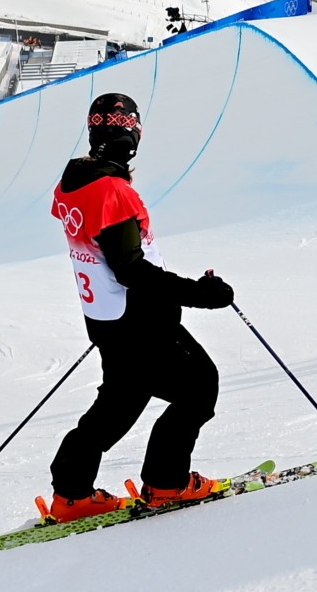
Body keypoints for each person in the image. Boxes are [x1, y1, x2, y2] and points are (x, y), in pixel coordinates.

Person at [42, 92, 236, 524]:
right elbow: (130, 268)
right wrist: (199, 293)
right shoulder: (111, 192)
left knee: (120, 401)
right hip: (140, 320)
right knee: (199, 388)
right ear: (132, 138)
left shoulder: (75, 182)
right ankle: (166, 485)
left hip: (107, 319)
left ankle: (71, 496)